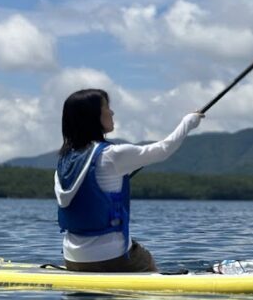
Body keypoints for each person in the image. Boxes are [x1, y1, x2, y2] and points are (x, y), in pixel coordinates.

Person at [54, 89, 203, 273]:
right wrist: (188, 122)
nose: (112, 112)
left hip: (72, 260)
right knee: (144, 257)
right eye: (106, 107)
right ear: (93, 116)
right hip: (110, 258)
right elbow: (163, 149)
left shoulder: (64, 161)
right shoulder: (113, 155)